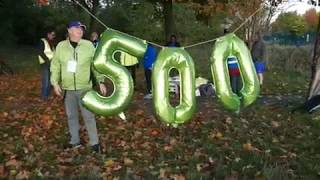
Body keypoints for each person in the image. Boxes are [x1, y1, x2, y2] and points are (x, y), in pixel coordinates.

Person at [50, 21, 107, 153]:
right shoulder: (61, 46)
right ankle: (74, 141)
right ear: (69, 30)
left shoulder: (88, 45)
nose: (80, 30)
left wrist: (100, 81)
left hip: (85, 88)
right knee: (71, 116)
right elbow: (55, 65)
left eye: (82, 28)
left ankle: (95, 144)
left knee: (89, 116)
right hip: (68, 89)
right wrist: (55, 82)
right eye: (77, 28)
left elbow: (95, 65)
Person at [38, 28, 55, 101]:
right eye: (52, 34)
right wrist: (47, 60)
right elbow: (40, 52)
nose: (53, 36)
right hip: (45, 64)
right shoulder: (42, 41)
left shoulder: (52, 42)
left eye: (54, 35)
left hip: (52, 64)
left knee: (50, 81)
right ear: (48, 34)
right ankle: (44, 97)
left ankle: (47, 95)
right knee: (46, 81)